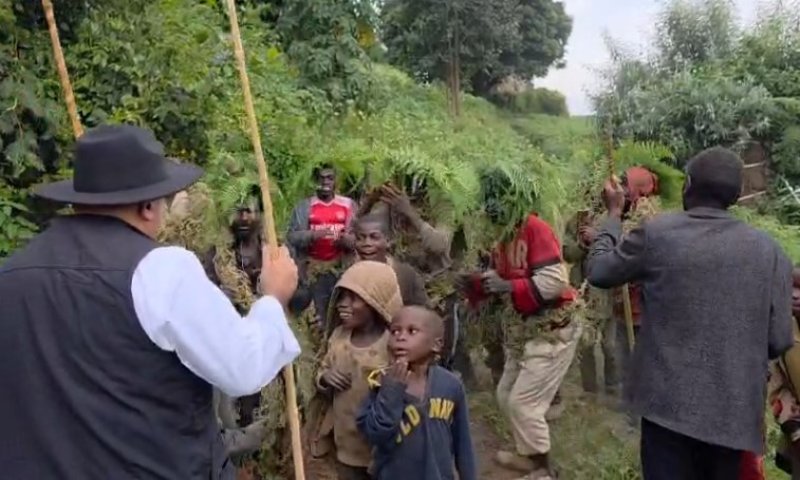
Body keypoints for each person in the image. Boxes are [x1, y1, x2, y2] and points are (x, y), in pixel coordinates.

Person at [0, 124, 301, 480]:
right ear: (147, 206)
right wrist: (272, 298)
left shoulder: (11, 274)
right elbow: (243, 368)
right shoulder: (160, 271)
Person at [586, 146, 794, 480]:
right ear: (737, 196)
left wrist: (613, 215)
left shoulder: (658, 235)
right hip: (733, 417)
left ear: (688, 185)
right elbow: (779, 339)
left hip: (667, 410)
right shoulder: (771, 252)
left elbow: (598, 271)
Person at [463, 175, 580, 480]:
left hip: (553, 325)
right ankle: (527, 455)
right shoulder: (502, 234)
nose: (489, 209)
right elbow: (508, 273)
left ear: (511, 200)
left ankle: (543, 470)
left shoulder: (534, 227)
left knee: (524, 403)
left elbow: (556, 282)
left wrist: (506, 285)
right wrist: (479, 280)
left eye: (496, 201)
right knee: (505, 395)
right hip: (525, 326)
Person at [356, 306, 477, 480]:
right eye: (395, 331)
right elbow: (375, 434)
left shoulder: (450, 385)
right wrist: (392, 391)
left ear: (436, 344)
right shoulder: (379, 382)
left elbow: (463, 442)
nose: (401, 337)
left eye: (412, 331)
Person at [316, 260, 404, 480]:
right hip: (346, 448)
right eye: (341, 296)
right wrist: (325, 378)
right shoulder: (338, 337)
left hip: (384, 450)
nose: (342, 304)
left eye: (354, 298)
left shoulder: (393, 345)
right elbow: (323, 368)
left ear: (377, 302)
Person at [287, 163, 357, 330]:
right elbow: (291, 237)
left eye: (330, 178)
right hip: (312, 270)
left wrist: (346, 240)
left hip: (340, 268)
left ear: (335, 181)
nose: (325, 182)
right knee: (317, 314)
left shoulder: (348, 205)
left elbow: (360, 237)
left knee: (339, 312)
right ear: (315, 181)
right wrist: (313, 235)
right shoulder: (304, 207)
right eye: (321, 178)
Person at [762, 267, 800, 479]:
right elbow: (775, 384)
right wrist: (791, 422)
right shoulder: (780, 333)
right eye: (791, 288)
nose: (795, 294)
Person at [353, 213, 428, 306]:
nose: (367, 243)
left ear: (388, 241)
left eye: (374, 237)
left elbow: (422, 312)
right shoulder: (349, 275)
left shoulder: (406, 275)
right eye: (360, 238)